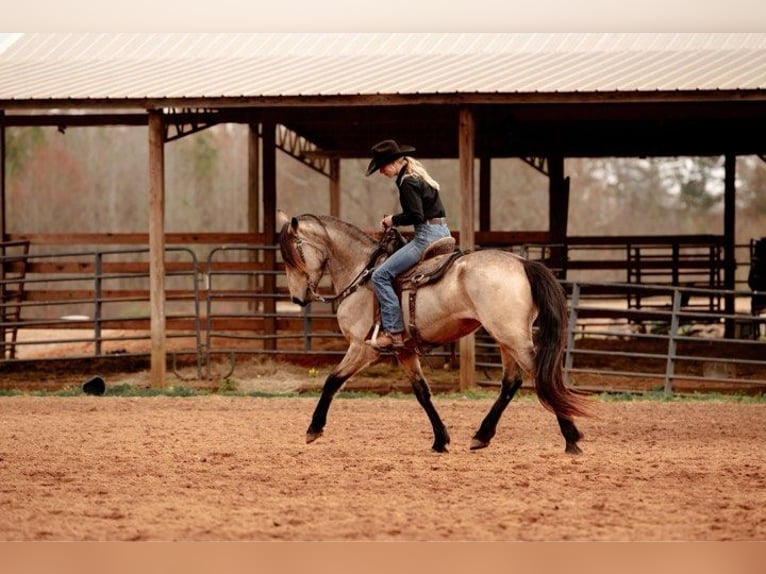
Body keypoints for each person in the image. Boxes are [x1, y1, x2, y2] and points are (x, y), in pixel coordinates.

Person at [364, 139, 451, 350]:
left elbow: (416, 215)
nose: (382, 172)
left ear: (394, 162)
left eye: (382, 167)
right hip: (442, 231)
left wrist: (392, 220)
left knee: (380, 275)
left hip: (426, 236)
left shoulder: (406, 182)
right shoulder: (417, 176)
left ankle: (394, 332)